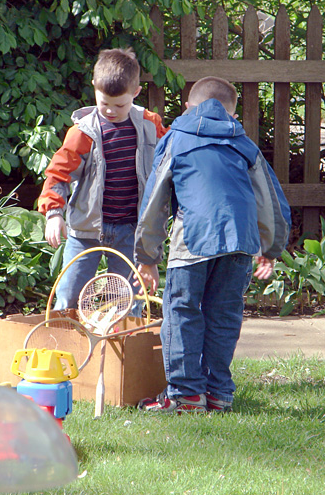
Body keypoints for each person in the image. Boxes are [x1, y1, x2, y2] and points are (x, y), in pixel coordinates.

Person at [134, 76, 292, 413]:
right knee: (223, 315)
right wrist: (271, 246)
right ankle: (219, 393)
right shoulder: (244, 144)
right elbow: (270, 200)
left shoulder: (176, 138)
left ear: (188, 107)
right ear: (233, 115)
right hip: (240, 243)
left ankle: (187, 394)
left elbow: (155, 199)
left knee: (182, 312)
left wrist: (147, 255)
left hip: (193, 238)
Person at [38, 48, 167, 313]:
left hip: (131, 232)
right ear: (95, 88)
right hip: (86, 230)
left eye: (119, 105)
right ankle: (66, 347)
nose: (110, 110)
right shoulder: (83, 132)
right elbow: (58, 174)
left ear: (136, 93)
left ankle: (121, 350)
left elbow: (171, 161)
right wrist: (53, 212)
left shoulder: (150, 126)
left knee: (128, 302)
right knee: (68, 297)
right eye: (103, 102)